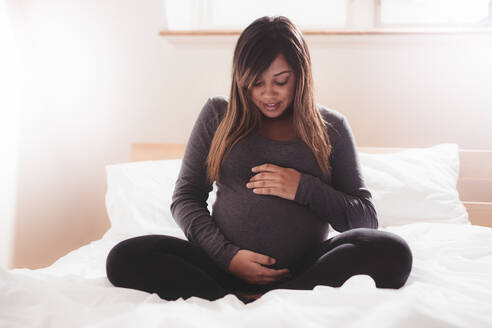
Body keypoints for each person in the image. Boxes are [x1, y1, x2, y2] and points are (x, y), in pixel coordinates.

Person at [105, 16, 413, 305]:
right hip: (222, 266)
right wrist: (227, 256)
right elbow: (186, 198)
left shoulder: (331, 127)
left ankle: (269, 299)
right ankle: (241, 298)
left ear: (301, 76)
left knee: (393, 252)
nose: (268, 94)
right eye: (256, 82)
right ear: (241, 79)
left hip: (306, 270)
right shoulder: (218, 116)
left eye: (281, 81)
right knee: (124, 258)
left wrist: (303, 188)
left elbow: (365, 218)